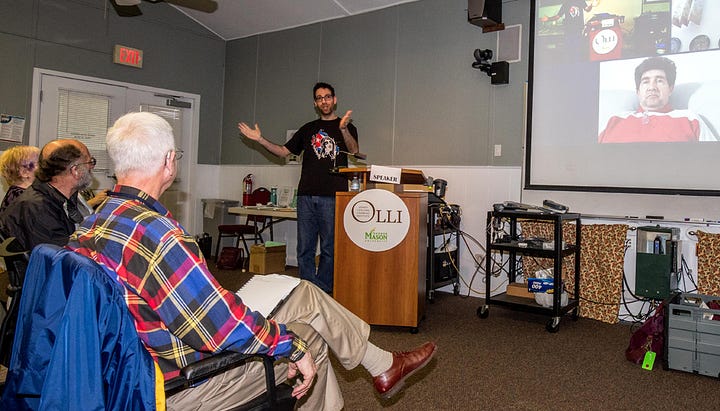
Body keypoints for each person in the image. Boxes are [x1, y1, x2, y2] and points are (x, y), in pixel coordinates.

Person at [67, 112, 435, 411]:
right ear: (168, 162)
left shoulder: (95, 221)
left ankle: (382, 365)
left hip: (128, 366)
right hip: (180, 384)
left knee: (304, 290)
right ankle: (375, 367)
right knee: (309, 339)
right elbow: (218, 329)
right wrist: (288, 344)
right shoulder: (160, 235)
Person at [238, 82, 359, 293]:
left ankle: (322, 291)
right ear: (315, 103)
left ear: (335, 99)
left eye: (328, 97)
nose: (324, 101)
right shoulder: (308, 129)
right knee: (305, 248)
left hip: (333, 196)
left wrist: (343, 128)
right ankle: (307, 290)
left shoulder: (346, 126)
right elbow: (283, 151)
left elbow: (354, 150)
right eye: (320, 98)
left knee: (330, 248)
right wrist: (260, 140)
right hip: (305, 197)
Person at [0, 139, 95, 251]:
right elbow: (64, 258)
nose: (92, 167)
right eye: (90, 162)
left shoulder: (65, 196)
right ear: (75, 171)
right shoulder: (36, 208)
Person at [599, 56, 716, 143]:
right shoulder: (615, 120)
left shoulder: (690, 119)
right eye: (645, 81)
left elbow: (713, 161)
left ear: (670, 89)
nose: (652, 87)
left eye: (659, 80)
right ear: (638, 91)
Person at [0, 145, 40, 213]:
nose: (45, 167)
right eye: (39, 163)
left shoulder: (16, 194)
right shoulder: (23, 198)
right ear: (24, 172)